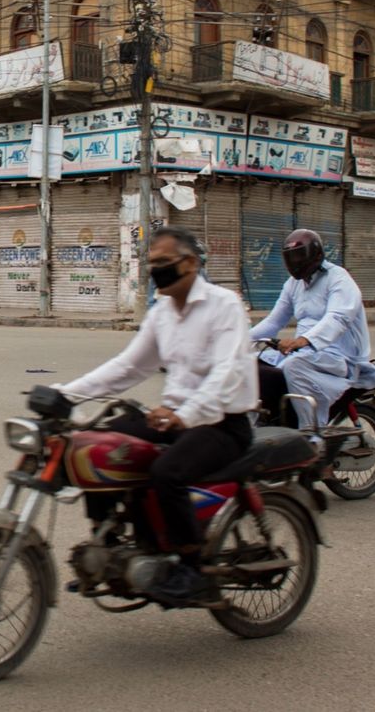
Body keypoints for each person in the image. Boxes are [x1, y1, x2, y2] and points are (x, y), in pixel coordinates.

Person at [55, 226, 256, 607]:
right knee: (91, 444)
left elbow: (226, 372)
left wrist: (188, 413)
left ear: (191, 263)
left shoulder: (224, 305)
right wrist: (65, 395)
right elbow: (129, 366)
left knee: (167, 474)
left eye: (163, 263)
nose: (155, 271)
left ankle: (191, 567)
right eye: (151, 264)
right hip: (173, 419)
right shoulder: (162, 312)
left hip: (221, 424)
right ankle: (110, 547)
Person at [250, 229, 375, 430]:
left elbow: (337, 319)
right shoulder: (293, 285)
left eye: (299, 256)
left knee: (293, 366)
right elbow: (273, 322)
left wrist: (302, 340)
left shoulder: (339, 279)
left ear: (316, 255)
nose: (295, 262)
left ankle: (310, 432)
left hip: (340, 357)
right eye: (290, 257)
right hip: (307, 354)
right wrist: (237, 341)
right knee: (249, 363)